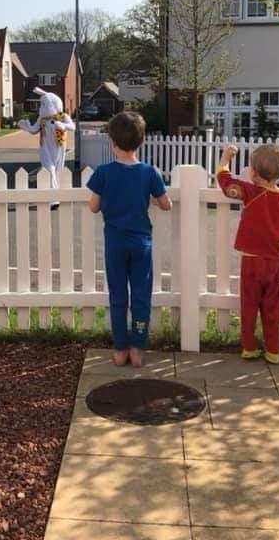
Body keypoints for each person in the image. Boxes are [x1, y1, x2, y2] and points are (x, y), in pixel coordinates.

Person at [87, 111, 172, 368]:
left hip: (115, 243)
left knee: (118, 297)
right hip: (141, 244)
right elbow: (165, 204)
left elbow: (93, 207)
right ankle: (138, 347)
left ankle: (120, 349)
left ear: (113, 143)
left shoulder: (103, 172)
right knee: (141, 296)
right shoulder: (149, 172)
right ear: (141, 141)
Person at [216, 144, 279, 365]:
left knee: (249, 305)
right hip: (274, 262)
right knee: (273, 307)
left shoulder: (251, 191)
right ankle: (273, 350)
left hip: (251, 261)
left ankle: (249, 347)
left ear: (253, 172)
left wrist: (225, 159)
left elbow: (225, 184)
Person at [18, 88, 76, 190]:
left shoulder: (62, 116)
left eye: (44, 105)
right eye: (41, 105)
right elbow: (34, 130)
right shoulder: (42, 119)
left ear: (53, 105)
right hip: (45, 147)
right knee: (49, 169)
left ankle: (55, 195)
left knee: (58, 169)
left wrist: (63, 126)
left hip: (59, 146)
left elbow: (72, 126)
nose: (41, 108)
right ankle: (52, 196)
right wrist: (26, 126)